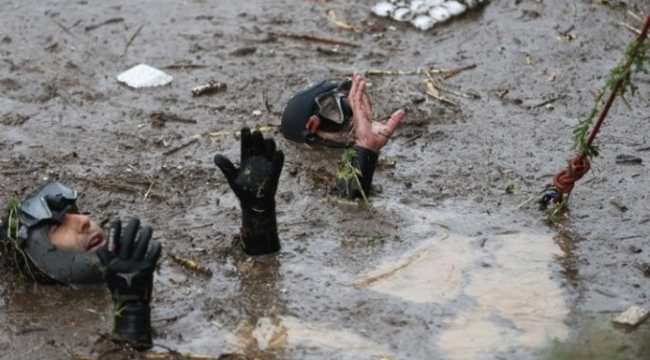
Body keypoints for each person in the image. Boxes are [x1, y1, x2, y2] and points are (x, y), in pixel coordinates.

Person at [0, 180, 161, 351]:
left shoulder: (139, 274)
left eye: (74, 212)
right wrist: (131, 318)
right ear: (39, 256)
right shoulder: (48, 340)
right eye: (57, 226)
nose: (84, 219)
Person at [280, 73, 405, 200]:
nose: (349, 111)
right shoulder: (313, 178)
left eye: (345, 98)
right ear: (313, 126)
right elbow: (347, 209)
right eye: (332, 108)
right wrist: (364, 148)